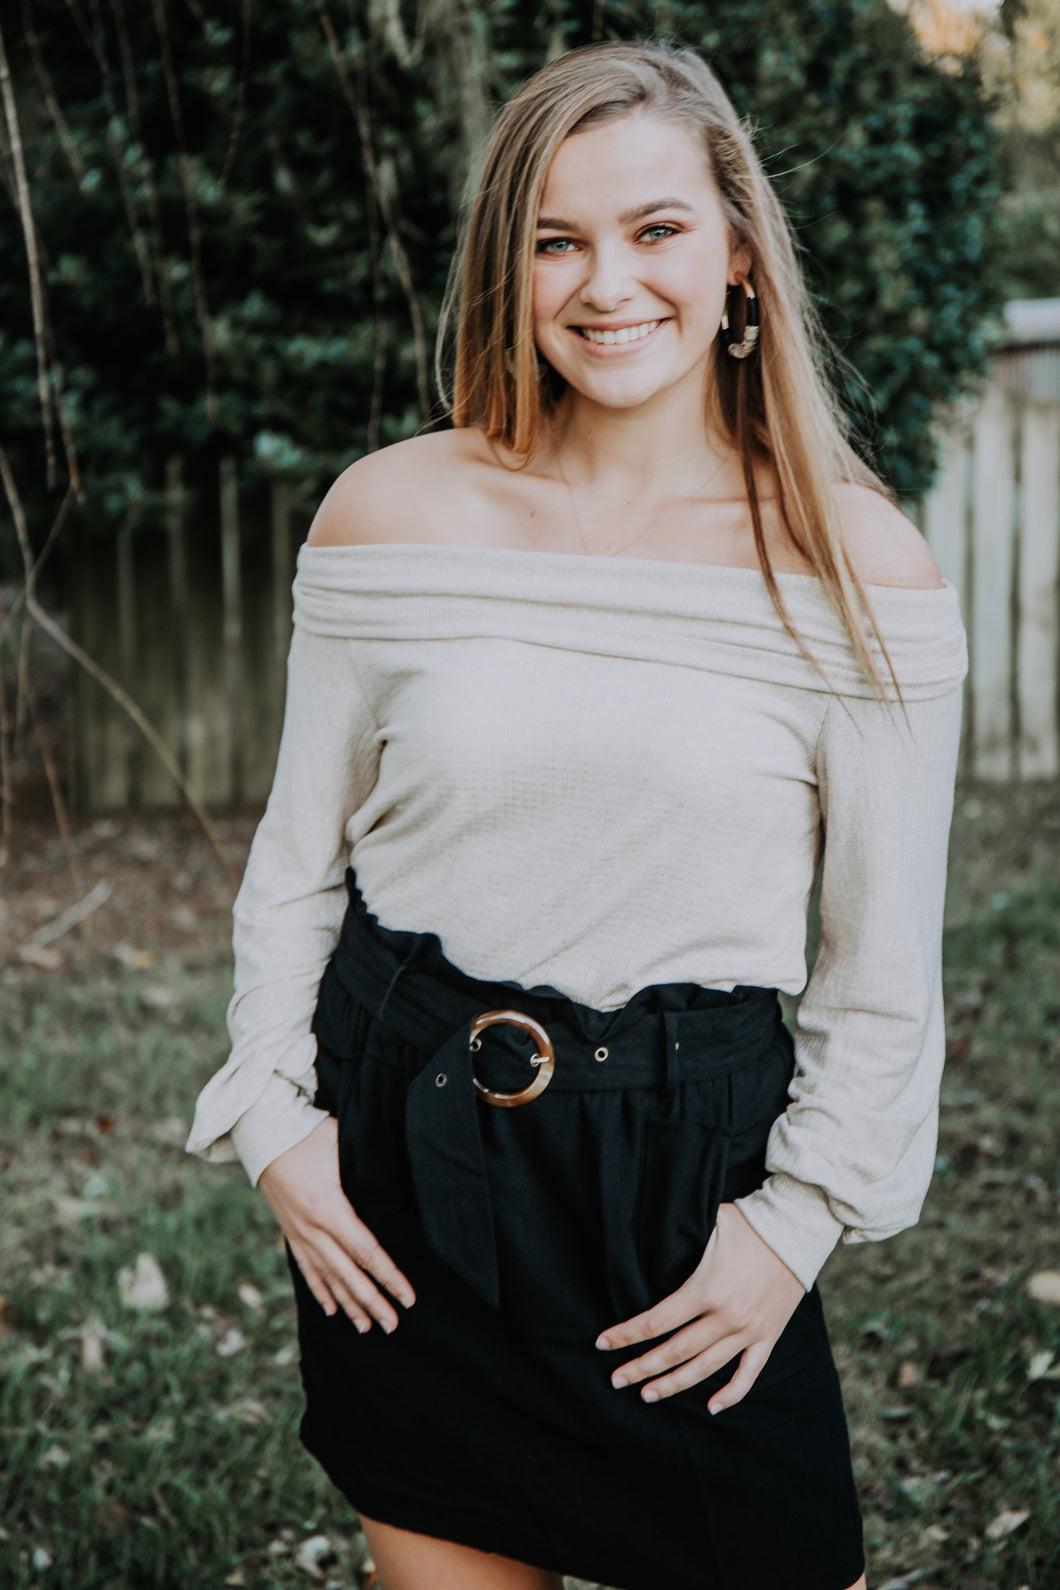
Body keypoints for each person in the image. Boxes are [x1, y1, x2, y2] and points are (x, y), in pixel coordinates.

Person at [186, 38, 967, 1590]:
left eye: (657, 228)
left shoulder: (857, 566)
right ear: (511, 266)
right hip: (408, 1162)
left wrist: (796, 1222)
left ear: (740, 251)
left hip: (687, 1188)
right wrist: (272, 1119)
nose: (607, 283)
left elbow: (883, 966)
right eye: (558, 239)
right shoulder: (389, 516)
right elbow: (296, 866)